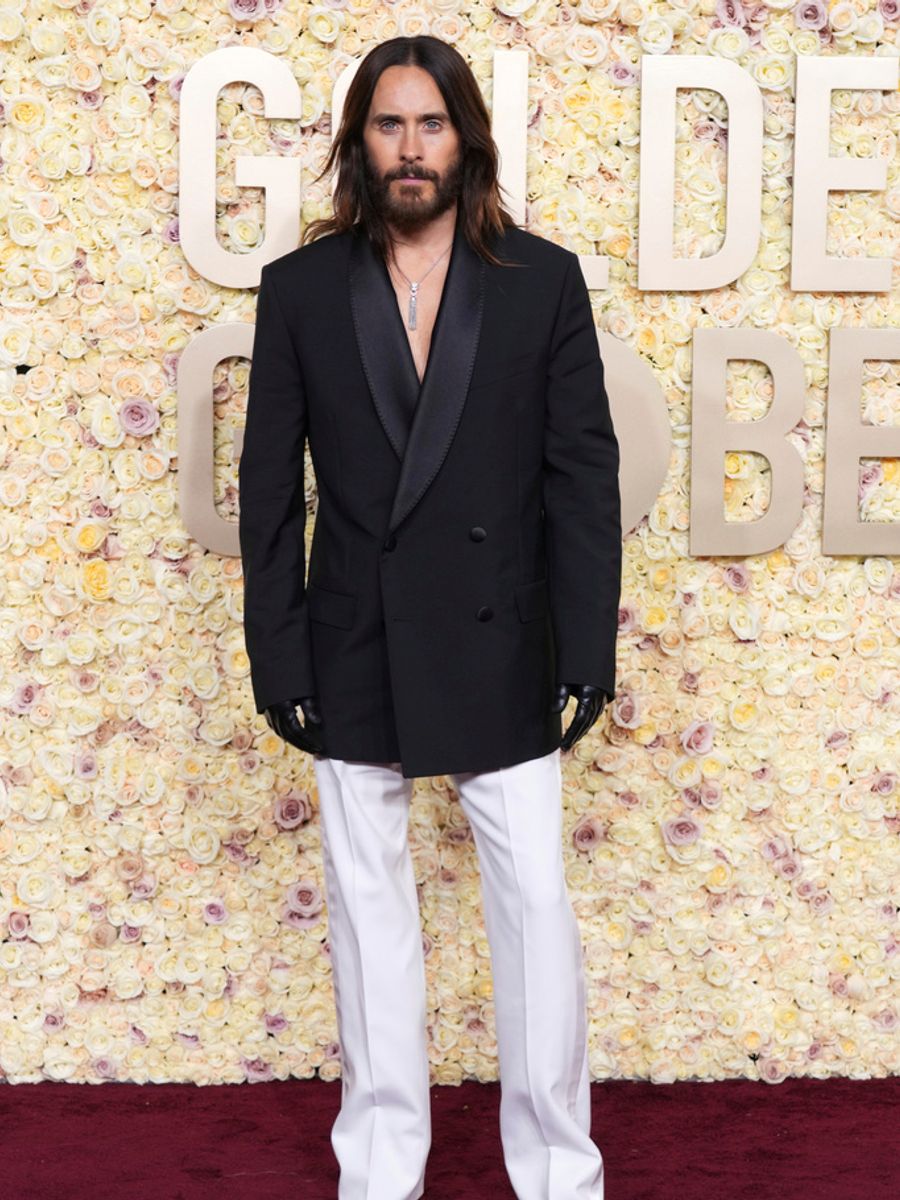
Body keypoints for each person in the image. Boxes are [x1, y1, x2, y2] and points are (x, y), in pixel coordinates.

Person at [238, 34, 621, 1200]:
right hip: (352, 635)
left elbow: (581, 475)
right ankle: (381, 1165)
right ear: (360, 142)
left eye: (432, 124)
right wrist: (277, 646)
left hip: (503, 630)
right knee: (367, 918)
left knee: (535, 913)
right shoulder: (302, 290)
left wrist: (586, 644)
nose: (412, 150)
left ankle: (558, 1168)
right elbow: (270, 485)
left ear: (467, 137)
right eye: (390, 126)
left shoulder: (540, 279)